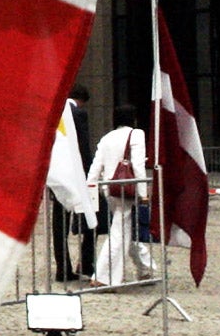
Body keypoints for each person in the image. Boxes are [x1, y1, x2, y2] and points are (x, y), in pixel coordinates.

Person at [87, 106, 150, 286]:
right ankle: (102, 276)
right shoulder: (137, 134)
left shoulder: (107, 137)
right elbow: (137, 165)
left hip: (110, 188)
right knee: (119, 232)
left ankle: (146, 268)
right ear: (134, 119)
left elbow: (95, 166)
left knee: (123, 229)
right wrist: (143, 193)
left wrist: (90, 188)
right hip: (127, 188)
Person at [51, 86, 97, 280]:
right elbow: (83, 147)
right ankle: (86, 264)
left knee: (59, 225)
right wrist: (88, 176)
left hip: (56, 175)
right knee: (91, 219)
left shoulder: (53, 112)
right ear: (81, 100)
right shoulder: (77, 114)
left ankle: (63, 268)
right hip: (75, 175)